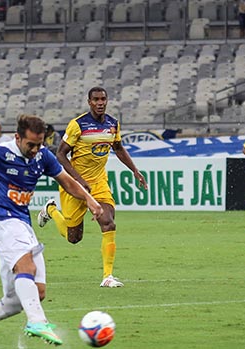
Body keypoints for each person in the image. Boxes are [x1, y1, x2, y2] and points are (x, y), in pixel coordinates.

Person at [0, 114, 103, 347]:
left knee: (32, 294)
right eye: (30, 144)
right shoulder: (1, 153)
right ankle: (37, 322)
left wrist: (89, 199)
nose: (35, 149)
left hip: (22, 225)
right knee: (27, 268)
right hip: (1, 222)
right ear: (17, 137)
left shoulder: (43, 156)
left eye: (39, 144)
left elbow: (66, 181)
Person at [37, 86, 148, 288]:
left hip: (98, 183)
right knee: (73, 237)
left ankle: (107, 276)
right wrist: (78, 180)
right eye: (96, 99)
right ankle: (51, 210)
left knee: (108, 222)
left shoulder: (113, 124)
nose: (100, 103)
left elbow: (118, 148)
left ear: (107, 101)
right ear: (89, 102)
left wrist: (135, 170)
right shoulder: (77, 125)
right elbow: (60, 155)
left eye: (103, 99)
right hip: (73, 185)